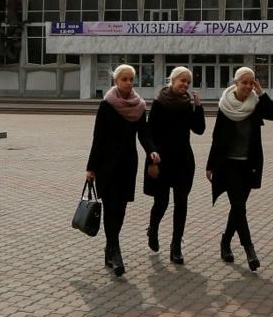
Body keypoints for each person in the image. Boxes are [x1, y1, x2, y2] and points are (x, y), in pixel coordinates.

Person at [206, 66, 273, 271]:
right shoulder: (225, 105)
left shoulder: (255, 104)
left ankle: (225, 240)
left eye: (251, 82)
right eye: (244, 82)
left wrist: (261, 92)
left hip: (249, 164)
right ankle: (249, 249)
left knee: (237, 207)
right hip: (228, 164)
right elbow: (217, 136)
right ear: (235, 83)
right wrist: (210, 165)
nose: (248, 86)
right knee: (239, 206)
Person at [85, 64, 157, 277]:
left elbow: (144, 134)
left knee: (121, 209)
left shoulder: (139, 106)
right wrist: (91, 167)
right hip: (106, 165)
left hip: (128, 163)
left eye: (131, 79)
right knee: (110, 208)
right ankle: (115, 252)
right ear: (116, 81)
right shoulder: (107, 105)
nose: (128, 83)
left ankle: (109, 248)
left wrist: (152, 151)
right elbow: (98, 137)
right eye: (124, 79)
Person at [144, 66, 206, 265]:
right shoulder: (159, 103)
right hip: (162, 160)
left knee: (181, 203)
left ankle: (176, 246)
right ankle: (152, 230)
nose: (186, 85)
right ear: (172, 80)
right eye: (182, 80)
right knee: (161, 203)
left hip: (183, 161)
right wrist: (152, 161)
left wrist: (198, 107)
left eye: (188, 82)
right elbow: (149, 134)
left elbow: (199, 129)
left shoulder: (187, 104)